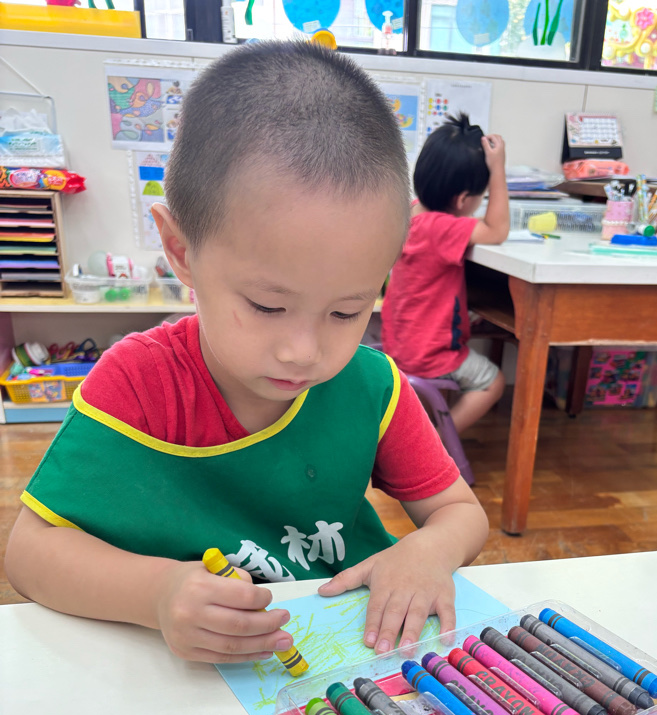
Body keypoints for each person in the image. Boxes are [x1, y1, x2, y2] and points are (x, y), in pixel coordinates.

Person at [4, 42, 489, 664]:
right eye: (266, 305)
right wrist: (156, 593)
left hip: (348, 663)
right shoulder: (139, 382)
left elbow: (460, 512)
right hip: (190, 681)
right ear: (182, 252)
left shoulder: (370, 386)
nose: (304, 352)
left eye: (347, 312)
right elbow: (30, 554)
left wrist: (427, 551)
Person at [381, 114, 509, 435]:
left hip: (400, 345)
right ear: (463, 199)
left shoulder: (410, 213)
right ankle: (435, 443)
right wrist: (498, 170)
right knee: (493, 382)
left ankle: (426, 439)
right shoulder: (442, 228)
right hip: (430, 355)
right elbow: (497, 230)